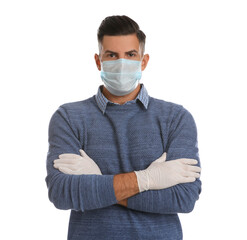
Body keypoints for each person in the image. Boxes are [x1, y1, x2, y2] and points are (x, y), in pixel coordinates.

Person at [46, 15, 202, 240]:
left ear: (144, 61)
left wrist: (98, 182)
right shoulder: (69, 117)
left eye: (130, 55)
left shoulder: (176, 118)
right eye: (111, 55)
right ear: (98, 61)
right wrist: (147, 179)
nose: (121, 63)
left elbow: (183, 198)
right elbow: (62, 193)